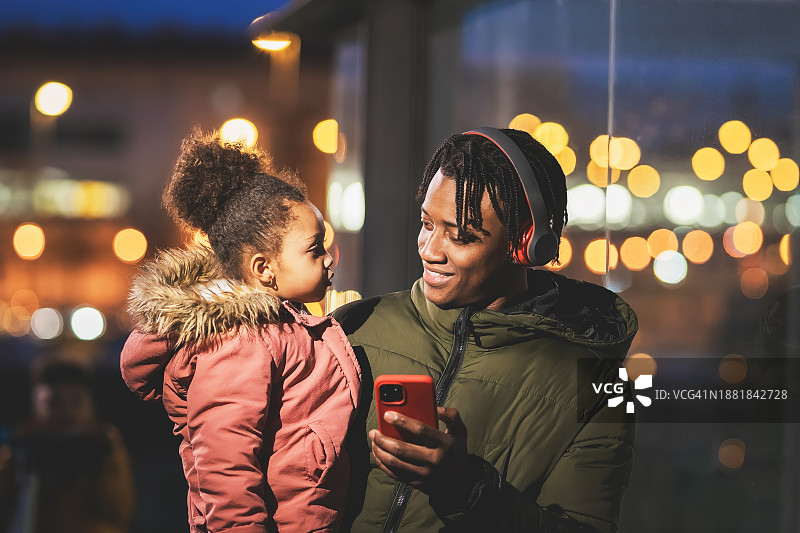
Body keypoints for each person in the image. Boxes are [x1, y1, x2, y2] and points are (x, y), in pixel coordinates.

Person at [333, 128, 638, 532]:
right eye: (427, 223)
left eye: (461, 236)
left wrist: (465, 488)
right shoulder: (355, 327)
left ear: (527, 244)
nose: (429, 249)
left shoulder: (604, 385)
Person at [120, 129, 361, 533]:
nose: (327, 259)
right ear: (264, 269)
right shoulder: (238, 342)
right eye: (314, 248)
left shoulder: (281, 324)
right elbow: (226, 471)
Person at [0, 359, 135, 533]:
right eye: (54, 402)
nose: (67, 412)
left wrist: (95, 465)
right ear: (37, 405)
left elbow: (121, 510)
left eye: (76, 401)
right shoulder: (21, 449)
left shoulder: (104, 447)